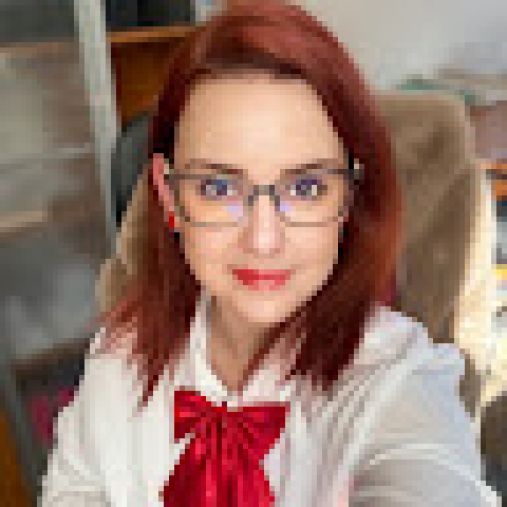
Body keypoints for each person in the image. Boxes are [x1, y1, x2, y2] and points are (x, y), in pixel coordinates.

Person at [40, 1, 501, 505]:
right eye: (218, 187)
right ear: (170, 199)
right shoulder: (118, 355)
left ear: (349, 198)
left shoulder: (396, 380)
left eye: (305, 188)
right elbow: (74, 489)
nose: (263, 240)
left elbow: (426, 472)